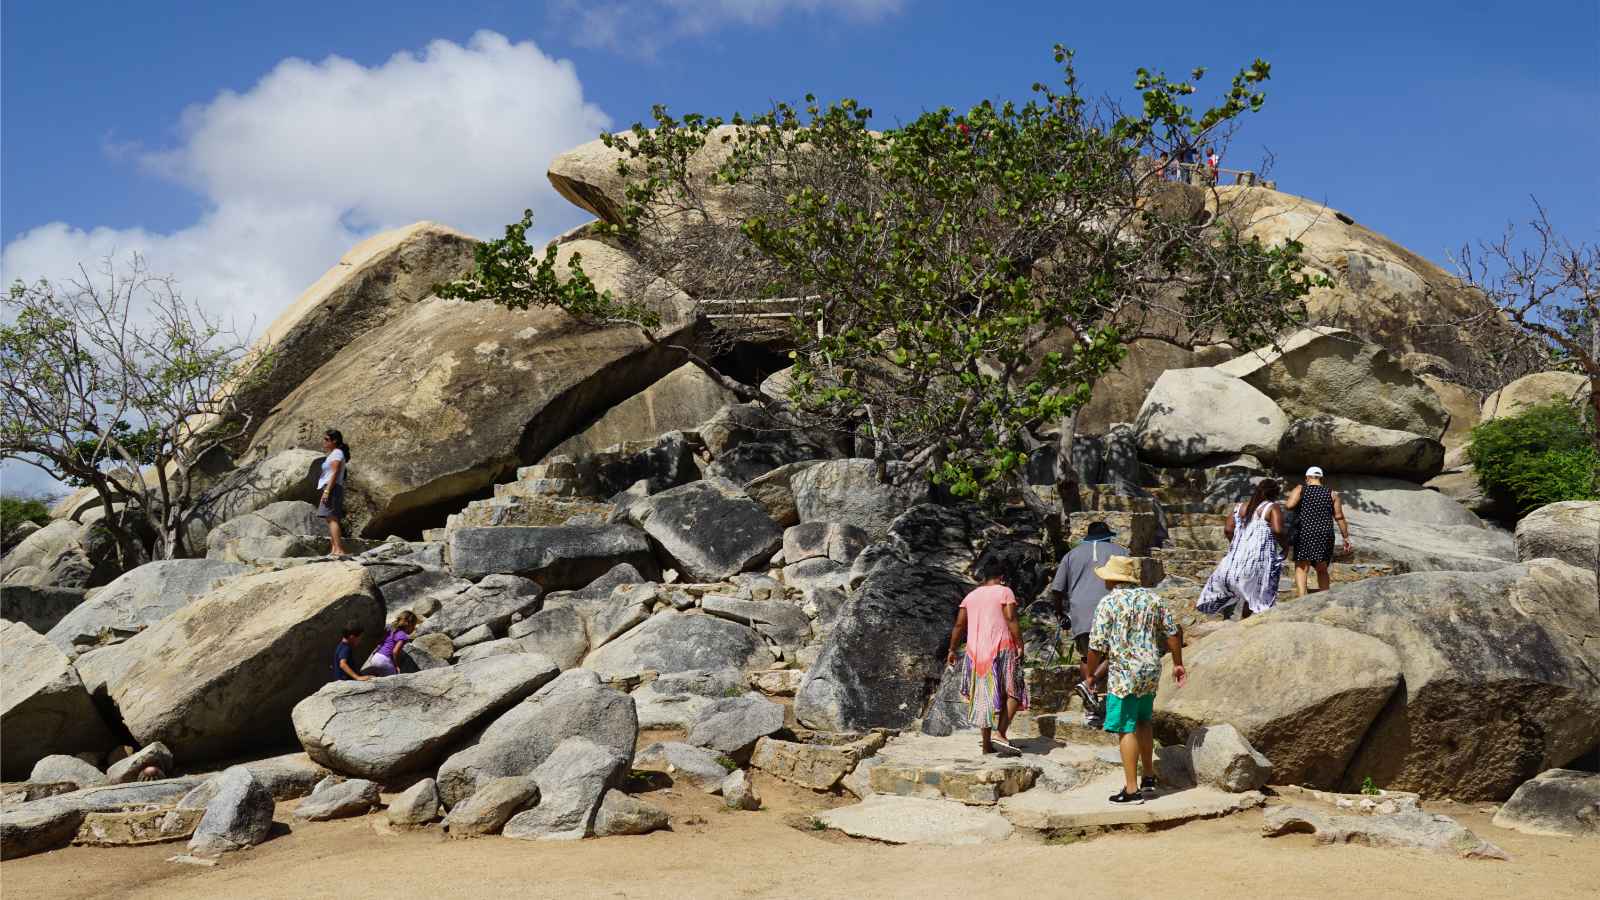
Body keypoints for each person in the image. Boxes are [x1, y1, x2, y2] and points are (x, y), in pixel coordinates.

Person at [1085, 555, 1185, 804]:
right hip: (1150, 668)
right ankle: (1148, 776)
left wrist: (1090, 674)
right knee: (1144, 721)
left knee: (1125, 727)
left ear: (1112, 579)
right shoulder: (1153, 599)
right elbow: (1172, 632)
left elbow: (1096, 644)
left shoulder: (1109, 603)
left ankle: (1131, 789)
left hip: (1124, 673)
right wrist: (1178, 662)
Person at [1046, 521, 1128, 725]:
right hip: (1111, 608)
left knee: (1086, 656)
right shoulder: (1121, 551)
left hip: (1080, 611)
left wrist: (1060, 613)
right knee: (1116, 653)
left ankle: (1090, 705)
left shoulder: (1071, 555)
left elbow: (1057, 589)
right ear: (1108, 536)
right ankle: (1091, 686)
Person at [945, 557, 1029, 756]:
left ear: (984, 577)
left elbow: (959, 625)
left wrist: (951, 649)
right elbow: (1010, 618)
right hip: (1002, 648)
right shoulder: (1004, 591)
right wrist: (1020, 644)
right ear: (1001, 577)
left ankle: (986, 744)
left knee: (983, 696)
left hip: (975, 654)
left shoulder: (971, 596)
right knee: (1014, 690)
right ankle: (1000, 733)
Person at [1197, 479, 1286, 619]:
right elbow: (1278, 530)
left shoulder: (1239, 507)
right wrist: (1286, 546)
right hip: (1257, 561)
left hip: (1232, 562)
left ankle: (1240, 625)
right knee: (1260, 599)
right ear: (1275, 494)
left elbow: (1228, 529)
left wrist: (1238, 545)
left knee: (1247, 597)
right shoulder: (1271, 507)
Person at [1283, 466, 1351, 597]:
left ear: (1307, 478)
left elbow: (1289, 505)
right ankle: (1324, 597)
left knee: (1302, 566)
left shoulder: (1301, 489)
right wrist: (1346, 537)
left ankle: (1302, 597)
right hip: (1325, 534)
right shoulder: (1332, 494)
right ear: (1321, 478)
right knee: (1322, 568)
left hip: (1305, 532)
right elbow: (1339, 517)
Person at [318, 429, 352, 557]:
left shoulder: (337, 453)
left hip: (331, 488)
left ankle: (338, 550)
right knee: (330, 518)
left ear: (334, 441)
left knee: (332, 519)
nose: (324, 442)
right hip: (331, 487)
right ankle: (334, 549)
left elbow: (335, 472)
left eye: (327, 439)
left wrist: (327, 491)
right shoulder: (334, 453)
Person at [361, 611, 418, 677]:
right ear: (409, 624)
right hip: (384, 660)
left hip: (375, 658)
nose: (414, 628)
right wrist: (396, 665)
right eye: (413, 625)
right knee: (394, 678)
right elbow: (395, 651)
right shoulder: (403, 636)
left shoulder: (390, 630)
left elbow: (379, 642)